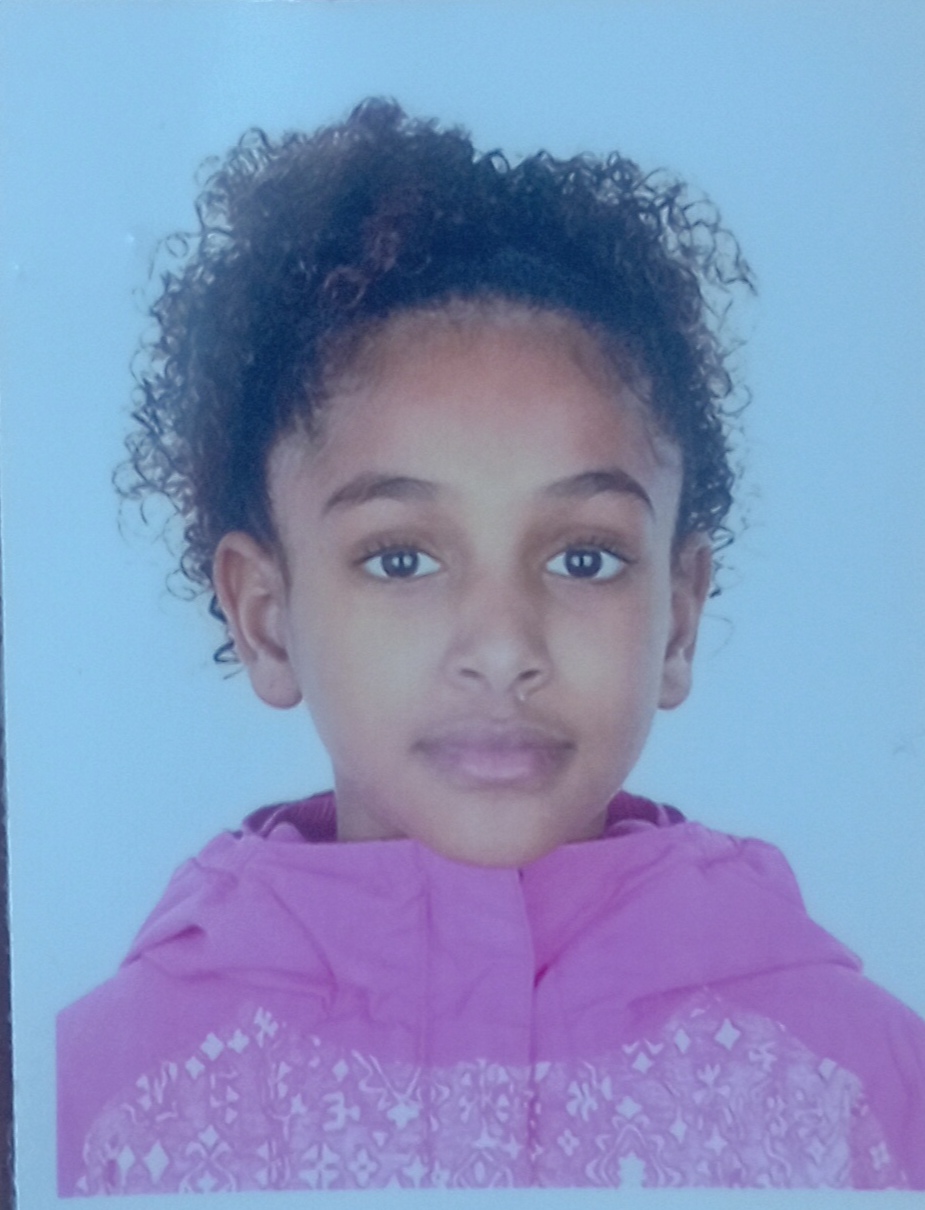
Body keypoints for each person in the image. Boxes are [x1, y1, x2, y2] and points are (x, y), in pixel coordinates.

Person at [57, 98, 925, 1193]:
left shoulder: (865, 1084)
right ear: (267, 616)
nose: (503, 646)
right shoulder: (95, 1095)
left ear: (678, 615)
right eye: (401, 559)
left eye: (583, 557)